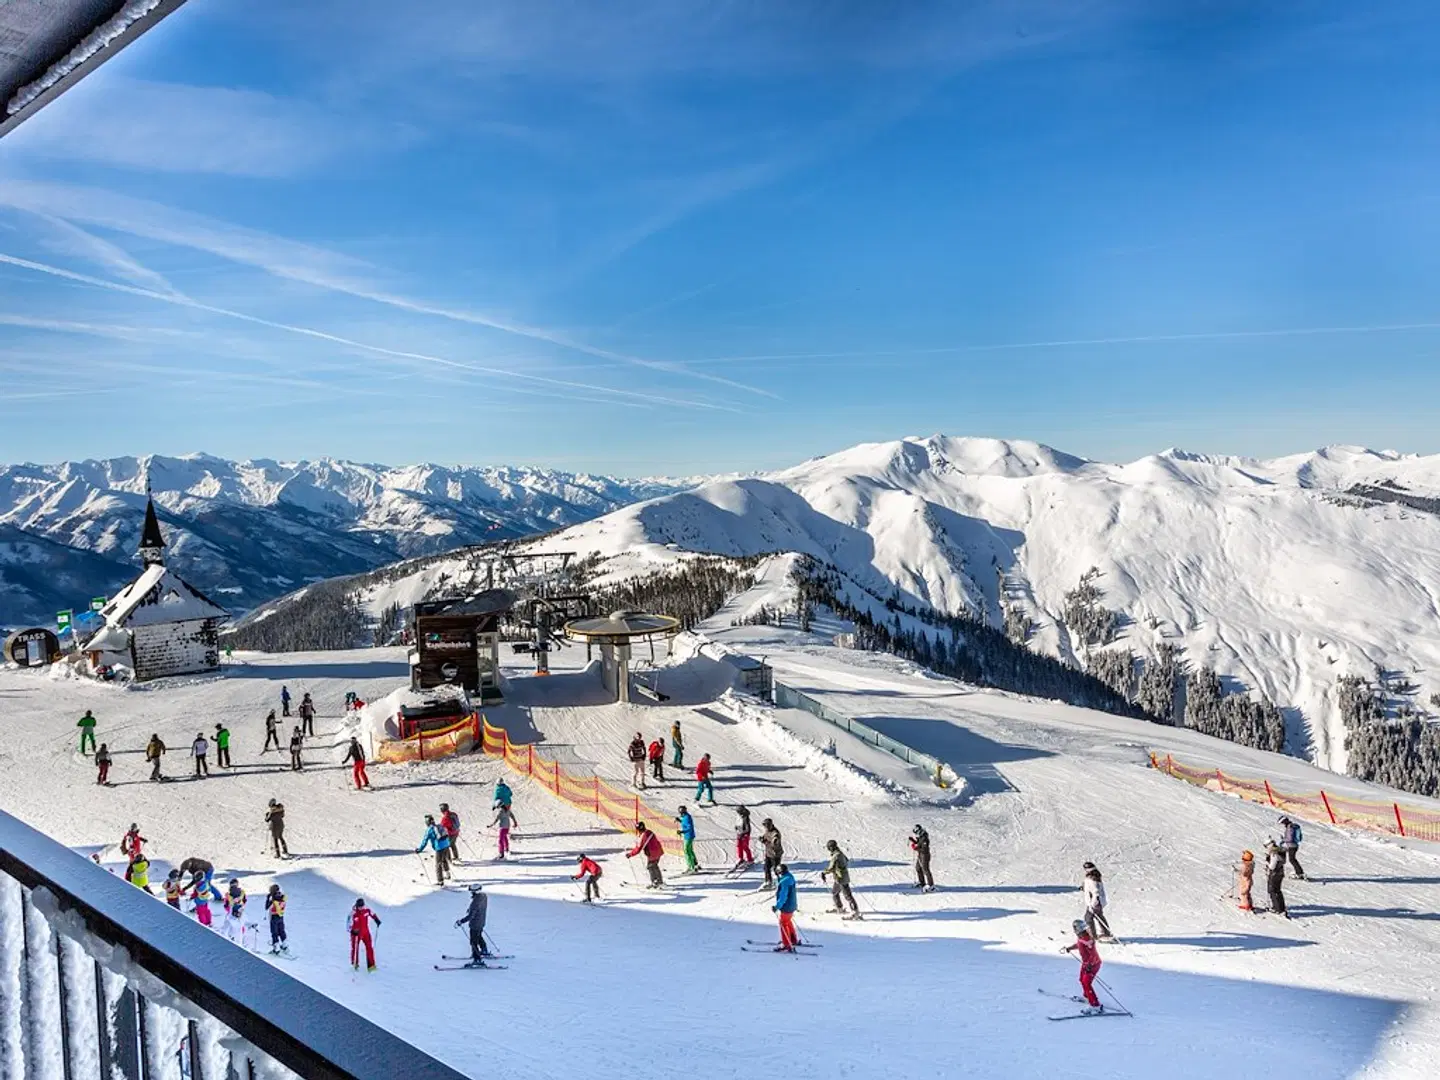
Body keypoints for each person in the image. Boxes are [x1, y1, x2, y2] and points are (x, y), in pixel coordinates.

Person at [1062, 919, 1104, 1014]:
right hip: (1087, 964)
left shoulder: (1088, 940)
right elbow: (1079, 944)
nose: (1074, 930)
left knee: (1086, 982)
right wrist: (1070, 948)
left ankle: (1095, 1005)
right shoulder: (1082, 937)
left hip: (1093, 964)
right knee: (1082, 979)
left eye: (1075, 928)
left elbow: (1093, 954)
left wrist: (1090, 965)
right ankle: (1087, 996)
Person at [821, 840, 861, 919]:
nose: (829, 849)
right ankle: (839, 908)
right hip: (839, 878)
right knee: (835, 893)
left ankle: (855, 912)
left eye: (829, 848)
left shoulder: (836, 855)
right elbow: (846, 860)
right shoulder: (840, 853)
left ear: (832, 847)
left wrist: (824, 872)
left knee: (847, 895)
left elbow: (831, 867)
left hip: (841, 878)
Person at [455, 884, 490, 963]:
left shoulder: (475, 902)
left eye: (472, 892)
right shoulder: (483, 896)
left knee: (473, 941)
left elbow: (471, 916)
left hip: (475, 924)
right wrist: (470, 909)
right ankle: (484, 950)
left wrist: (461, 921)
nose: (471, 893)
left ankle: (477, 959)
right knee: (479, 936)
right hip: (481, 922)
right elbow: (478, 908)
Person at [627, 821, 665, 888]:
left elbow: (638, 848)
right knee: (654, 866)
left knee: (651, 867)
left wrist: (630, 854)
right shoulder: (649, 832)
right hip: (658, 851)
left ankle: (656, 882)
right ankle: (658, 881)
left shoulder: (643, 835)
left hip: (652, 853)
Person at [1082, 862, 1113, 941]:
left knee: (1088, 918)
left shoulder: (1092, 879)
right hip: (1097, 902)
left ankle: (1092, 935)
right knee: (1099, 916)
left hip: (1095, 902)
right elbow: (1090, 888)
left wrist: (1093, 904)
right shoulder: (1094, 877)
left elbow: (1096, 892)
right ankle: (1106, 933)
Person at [418, 814, 453, 884]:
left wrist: (419, 849)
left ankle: (440, 881)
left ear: (427, 822)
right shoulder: (439, 826)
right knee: (444, 860)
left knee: (438, 864)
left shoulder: (429, 830)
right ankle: (448, 874)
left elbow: (425, 841)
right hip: (446, 845)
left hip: (439, 848)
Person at [773, 863, 800, 952]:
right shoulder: (789, 877)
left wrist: (777, 906)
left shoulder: (784, 881)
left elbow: (783, 895)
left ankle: (786, 944)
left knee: (783, 923)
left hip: (787, 905)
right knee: (788, 921)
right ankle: (793, 939)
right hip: (792, 904)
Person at [348, 898, 380, 971]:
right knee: (355, 948)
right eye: (359, 906)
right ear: (357, 905)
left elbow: (372, 914)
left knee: (369, 947)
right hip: (356, 934)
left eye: (362, 906)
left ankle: (371, 966)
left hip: (365, 932)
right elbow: (348, 924)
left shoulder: (367, 910)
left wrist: (376, 920)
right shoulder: (353, 913)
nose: (361, 908)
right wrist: (352, 931)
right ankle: (355, 965)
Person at [1265, 841, 1289, 918]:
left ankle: (1277, 908)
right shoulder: (1280, 852)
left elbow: (1272, 866)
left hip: (1274, 874)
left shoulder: (1274, 853)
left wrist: (1267, 864)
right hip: (1280, 873)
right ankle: (1281, 907)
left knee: (1272, 890)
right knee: (1277, 890)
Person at [760, 818, 784, 888]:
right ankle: (768, 881)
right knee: (766, 867)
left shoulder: (775, 833)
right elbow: (765, 837)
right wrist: (762, 838)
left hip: (775, 854)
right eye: (764, 826)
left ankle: (781, 882)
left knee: (776, 869)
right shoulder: (767, 831)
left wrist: (765, 842)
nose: (765, 827)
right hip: (768, 853)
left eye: (766, 826)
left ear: (769, 825)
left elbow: (774, 844)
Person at [222, 878, 247, 943]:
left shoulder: (228, 895)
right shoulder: (242, 893)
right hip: (240, 910)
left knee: (228, 924)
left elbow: (226, 905)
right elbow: (245, 900)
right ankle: (239, 938)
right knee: (240, 924)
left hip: (231, 912)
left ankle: (227, 936)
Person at [911, 825, 934, 891]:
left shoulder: (925, 838)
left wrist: (915, 848)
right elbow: (919, 843)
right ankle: (922, 882)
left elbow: (924, 849)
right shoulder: (921, 837)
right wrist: (913, 841)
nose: (916, 835)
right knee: (918, 868)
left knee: (925, 870)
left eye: (916, 833)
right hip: (920, 855)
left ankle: (931, 885)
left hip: (925, 855)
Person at [266, 885, 288, 954]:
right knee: (281, 931)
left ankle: (276, 948)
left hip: (273, 917)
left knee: (274, 933)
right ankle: (285, 944)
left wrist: (268, 899)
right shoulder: (282, 897)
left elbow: (266, 907)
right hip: (281, 916)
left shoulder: (272, 898)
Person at [676, 806, 699, 872]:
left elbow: (689, 827)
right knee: (690, 850)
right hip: (689, 836)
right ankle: (694, 863)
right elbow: (684, 823)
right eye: (680, 812)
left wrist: (682, 831)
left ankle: (691, 867)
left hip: (688, 836)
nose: (680, 814)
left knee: (686, 850)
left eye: (681, 812)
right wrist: (680, 821)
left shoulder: (687, 818)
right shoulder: (686, 817)